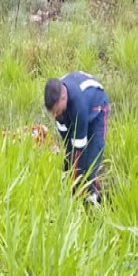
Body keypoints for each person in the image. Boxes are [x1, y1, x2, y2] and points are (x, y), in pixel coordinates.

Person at [44, 71, 110, 204]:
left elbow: (80, 151)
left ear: (63, 97)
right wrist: (68, 169)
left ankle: (94, 200)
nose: (55, 115)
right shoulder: (58, 105)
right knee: (70, 161)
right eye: (52, 113)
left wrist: (76, 181)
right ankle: (81, 193)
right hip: (74, 110)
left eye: (56, 111)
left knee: (90, 163)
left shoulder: (79, 105)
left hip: (97, 111)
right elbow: (67, 141)